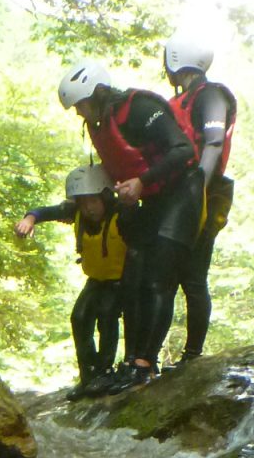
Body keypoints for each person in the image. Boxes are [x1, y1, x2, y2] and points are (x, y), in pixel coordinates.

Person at [57, 58, 200, 392]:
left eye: (82, 105)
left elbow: (183, 150)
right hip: (150, 197)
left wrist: (142, 180)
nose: (80, 113)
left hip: (182, 192)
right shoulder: (100, 123)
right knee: (134, 279)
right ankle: (131, 361)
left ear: (100, 94)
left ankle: (144, 363)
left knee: (158, 280)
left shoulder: (140, 109)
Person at [151, 35, 237, 368]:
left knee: (193, 277)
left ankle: (192, 355)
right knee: (167, 277)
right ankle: (152, 357)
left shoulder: (211, 95)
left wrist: (198, 185)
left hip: (203, 191)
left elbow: (213, 143)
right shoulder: (183, 99)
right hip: (177, 192)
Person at [16, 163, 128, 392]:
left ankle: (106, 371)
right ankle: (89, 375)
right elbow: (43, 211)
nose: (89, 209)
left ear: (105, 198)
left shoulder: (122, 214)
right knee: (79, 317)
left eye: (94, 201)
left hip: (121, 281)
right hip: (96, 280)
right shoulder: (74, 212)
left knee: (107, 316)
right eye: (84, 203)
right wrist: (29, 219)